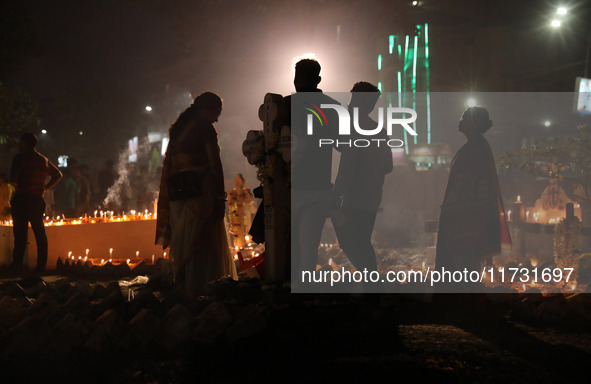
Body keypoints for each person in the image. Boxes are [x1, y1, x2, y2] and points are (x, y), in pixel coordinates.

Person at [155, 92, 233, 296]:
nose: (217, 118)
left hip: (180, 195)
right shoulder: (204, 127)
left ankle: (185, 282)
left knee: (184, 237)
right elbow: (214, 164)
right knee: (204, 240)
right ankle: (205, 284)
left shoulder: (179, 129)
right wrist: (220, 196)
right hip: (202, 192)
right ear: (208, 109)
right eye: (217, 113)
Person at [434, 107, 511, 292]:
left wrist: (454, 206)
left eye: (464, 118)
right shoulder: (475, 146)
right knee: (463, 260)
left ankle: (465, 302)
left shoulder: (475, 149)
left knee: (464, 260)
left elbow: (469, 183)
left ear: (474, 124)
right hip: (463, 215)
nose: (459, 121)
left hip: (466, 218)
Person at [331, 82, 393, 274]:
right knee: (362, 241)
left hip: (353, 197)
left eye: (352, 100)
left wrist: (335, 194)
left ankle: (373, 283)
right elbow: (388, 166)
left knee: (350, 240)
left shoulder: (353, 131)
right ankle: (372, 285)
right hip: (373, 196)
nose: (349, 105)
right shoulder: (379, 131)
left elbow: (347, 166)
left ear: (357, 101)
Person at [289, 58, 341, 275]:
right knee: (308, 245)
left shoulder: (283, 106)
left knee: (288, 245)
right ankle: (304, 292)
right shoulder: (332, 108)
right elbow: (345, 147)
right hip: (318, 188)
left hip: (289, 186)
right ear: (318, 79)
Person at [9, 132, 63, 271]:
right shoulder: (43, 160)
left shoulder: (19, 158)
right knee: (40, 234)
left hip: (22, 200)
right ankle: (41, 266)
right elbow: (58, 175)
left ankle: (17, 265)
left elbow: (14, 180)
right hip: (37, 201)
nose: (19, 145)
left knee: (20, 235)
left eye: (20, 143)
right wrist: (45, 187)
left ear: (24, 144)